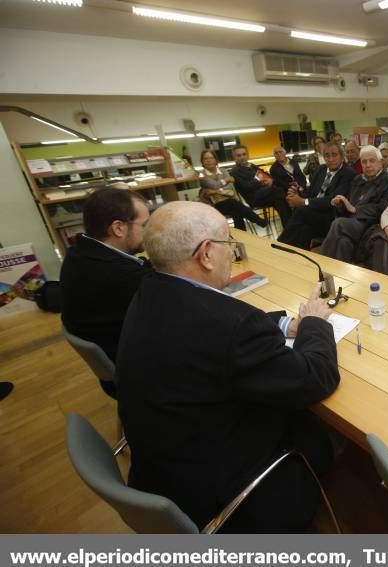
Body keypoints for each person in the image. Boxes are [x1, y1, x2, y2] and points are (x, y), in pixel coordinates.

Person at [116, 201, 339, 533]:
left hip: (164, 478)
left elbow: (210, 326)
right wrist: (313, 324)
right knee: (323, 432)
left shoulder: (150, 290)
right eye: (227, 243)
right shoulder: (231, 328)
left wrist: (283, 323)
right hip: (232, 502)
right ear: (206, 254)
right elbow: (315, 377)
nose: (232, 254)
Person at [60, 187, 152, 394]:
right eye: (145, 225)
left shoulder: (79, 251)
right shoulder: (119, 275)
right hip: (137, 377)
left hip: (114, 359)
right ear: (118, 228)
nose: (150, 231)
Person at [319, 145, 388, 262]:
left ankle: (321, 264)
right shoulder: (358, 179)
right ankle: (338, 277)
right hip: (352, 223)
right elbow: (350, 205)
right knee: (343, 242)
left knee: (338, 223)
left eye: (372, 161)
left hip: (371, 224)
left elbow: (383, 209)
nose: (368, 165)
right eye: (364, 162)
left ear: (381, 162)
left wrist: (356, 210)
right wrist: (341, 205)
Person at [279, 142, 357, 250]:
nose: (330, 159)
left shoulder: (349, 174)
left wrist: (302, 201)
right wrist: (299, 191)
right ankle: (299, 260)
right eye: (327, 155)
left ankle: (279, 245)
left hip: (332, 217)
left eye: (334, 155)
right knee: (304, 230)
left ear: (342, 156)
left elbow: (330, 200)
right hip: (313, 214)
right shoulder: (321, 169)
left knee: (302, 210)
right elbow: (310, 193)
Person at [198, 150, 267, 231]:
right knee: (234, 204)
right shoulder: (202, 175)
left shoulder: (223, 170)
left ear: (215, 160)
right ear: (202, 161)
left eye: (211, 158)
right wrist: (225, 182)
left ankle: (242, 235)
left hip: (230, 202)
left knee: (236, 210)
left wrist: (216, 191)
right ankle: (258, 221)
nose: (208, 160)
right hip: (215, 205)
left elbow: (230, 188)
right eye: (205, 158)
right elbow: (214, 185)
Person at [229, 144, 290, 229]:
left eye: (244, 154)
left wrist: (270, 180)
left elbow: (265, 175)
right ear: (234, 157)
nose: (242, 157)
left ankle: (289, 227)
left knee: (280, 199)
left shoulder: (252, 165)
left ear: (248, 155)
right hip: (254, 198)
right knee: (279, 191)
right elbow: (246, 187)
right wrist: (261, 179)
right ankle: (291, 225)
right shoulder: (234, 171)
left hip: (267, 194)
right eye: (238, 155)